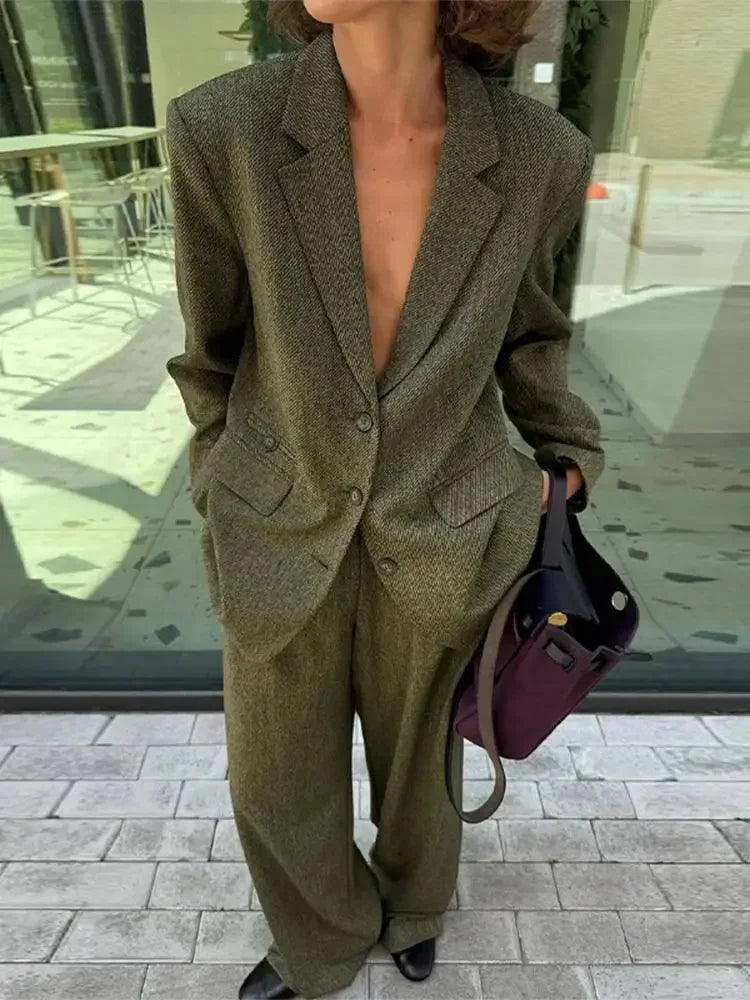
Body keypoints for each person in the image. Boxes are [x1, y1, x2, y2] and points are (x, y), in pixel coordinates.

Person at [165, 0, 603, 996]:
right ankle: (319, 936)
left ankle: (414, 904)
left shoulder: (539, 154)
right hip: (277, 510)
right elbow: (211, 351)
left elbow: (533, 331)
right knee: (272, 775)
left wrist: (564, 459)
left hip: (451, 509)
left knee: (422, 762)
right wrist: (219, 481)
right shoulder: (224, 129)